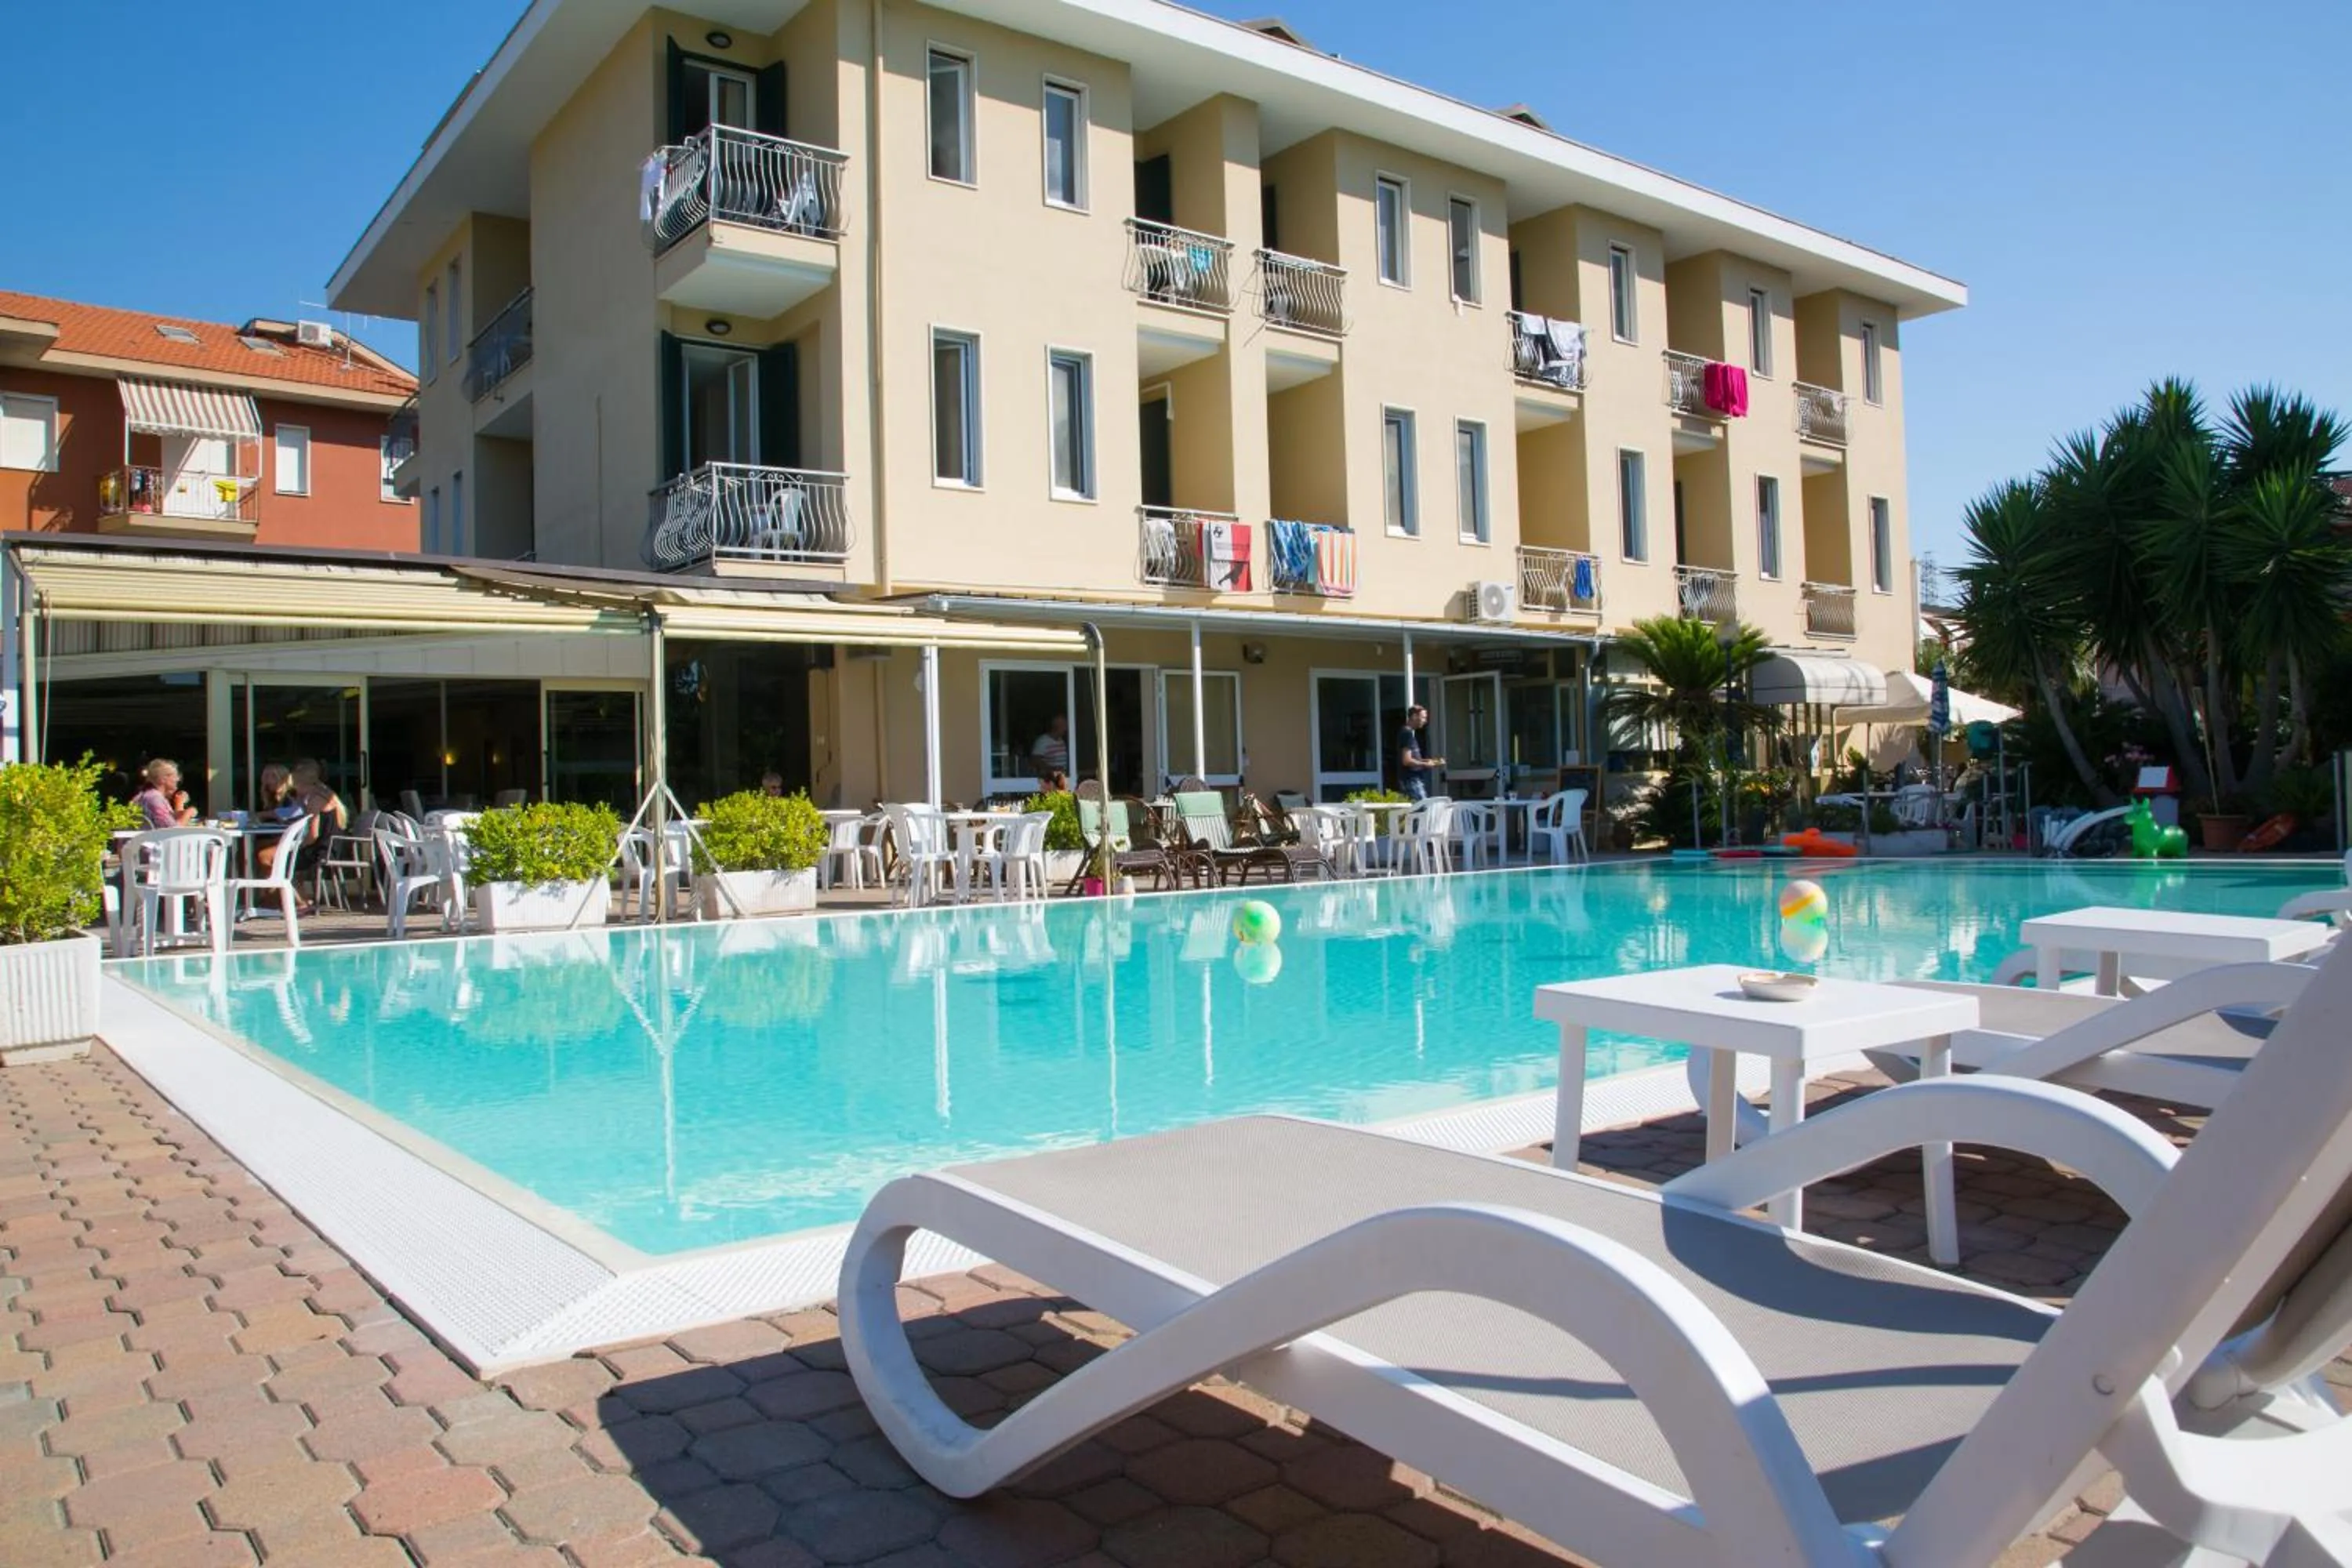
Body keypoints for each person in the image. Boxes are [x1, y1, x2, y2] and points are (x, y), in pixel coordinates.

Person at [1396, 706, 1446, 802]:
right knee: (1424, 809)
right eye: (1423, 718)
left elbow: (1411, 758)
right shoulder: (1407, 734)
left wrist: (1429, 761)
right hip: (1411, 780)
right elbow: (1406, 761)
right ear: (1414, 716)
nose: (1425, 721)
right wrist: (1425, 764)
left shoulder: (1409, 733)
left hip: (1413, 780)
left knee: (1416, 812)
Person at [132, 758, 196, 829]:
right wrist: (189, 813)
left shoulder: (148, 795)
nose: (178, 779)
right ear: (163, 779)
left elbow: (169, 822)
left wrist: (179, 805)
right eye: (175, 776)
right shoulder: (154, 798)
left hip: (145, 839)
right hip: (147, 840)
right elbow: (174, 830)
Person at [1030, 714, 1070, 780]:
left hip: (1061, 780)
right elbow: (1035, 760)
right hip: (1050, 781)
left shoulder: (1062, 741)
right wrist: (1053, 770)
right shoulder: (1043, 741)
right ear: (1056, 727)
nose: (1066, 729)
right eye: (1064, 726)